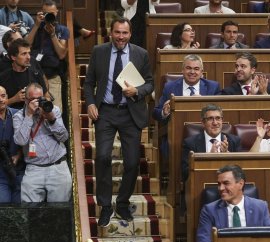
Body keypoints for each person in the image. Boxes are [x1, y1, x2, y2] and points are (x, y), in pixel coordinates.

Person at [83, 17, 154, 227]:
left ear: (130, 34)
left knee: (132, 163)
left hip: (130, 113)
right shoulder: (99, 51)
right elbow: (88, 83)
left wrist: (137, 91)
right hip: (104, 112)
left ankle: (122, 203)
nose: (121, 37)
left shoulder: (141, 54)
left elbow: (150, 83)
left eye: (125, 33)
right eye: (117, 32)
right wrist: (90, 103)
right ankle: (105, 207)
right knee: (103, 157)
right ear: (111, 33)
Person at [197, 164, 270, 242]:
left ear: (240, 184)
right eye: (219, 184)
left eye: (226, 183)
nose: (221, 188)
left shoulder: (260, 207)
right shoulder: (209, 210)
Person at [13, 82, 71, 202]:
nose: (37, 103)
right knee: (31, 212)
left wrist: (52, 119)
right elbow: (20, 141)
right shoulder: (19, 117)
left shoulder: (53, 110)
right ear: (26, 100)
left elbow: (64, 137)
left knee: (58, 213)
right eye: (33, 99)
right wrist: (28, 116)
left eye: (40, 99)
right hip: (34, 169)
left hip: (58, 167)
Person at [25, 0, 69, 112]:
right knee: (33, 111)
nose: (49, 16)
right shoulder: (36, 27)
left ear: (57, 12)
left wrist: (53, 35)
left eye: (51, 13)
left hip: (53, 76)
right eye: (46, 13)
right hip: (34, 77)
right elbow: (26, 45)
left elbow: (62, 54)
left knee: (54, 111)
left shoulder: (62, 30)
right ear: (41, 13)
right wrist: (36, 25)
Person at [181, 104, 241, 184]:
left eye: (218, 118)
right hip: (203, 184)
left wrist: (227, 156)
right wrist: (208, 159)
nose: (215, 123)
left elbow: (240, 172)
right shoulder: (190, 143)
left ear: (222, 120)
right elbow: (185, 174)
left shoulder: (234, 141)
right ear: (203, 122)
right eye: (210, 119)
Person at [153, 54, 220, 123]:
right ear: (182, 70)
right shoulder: (170, 87)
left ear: (201, 72)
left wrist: (202, 104)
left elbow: (220, 112)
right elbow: (156, 113)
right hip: (177, 128)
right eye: (188, 68)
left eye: (196, 69)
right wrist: (164, 112)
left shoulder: (213, 87)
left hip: (204, 129)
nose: (192, 72)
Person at [0, 38, 47, 109]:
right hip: (12, 117)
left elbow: (47, 96)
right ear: (13, 57)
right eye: (24, 54)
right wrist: (14, 99)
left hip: (35, 115)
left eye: (29, 53)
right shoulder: (3, 77)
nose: (28, 57)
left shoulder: (35, 73)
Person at [0, 85, 23, 203]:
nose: (0, 99)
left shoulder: (18, 114)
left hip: (18, 171)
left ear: (7, 97)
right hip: (1, 176)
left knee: (21, 211)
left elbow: (27, 139)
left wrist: (19, 154)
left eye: (3, 96)